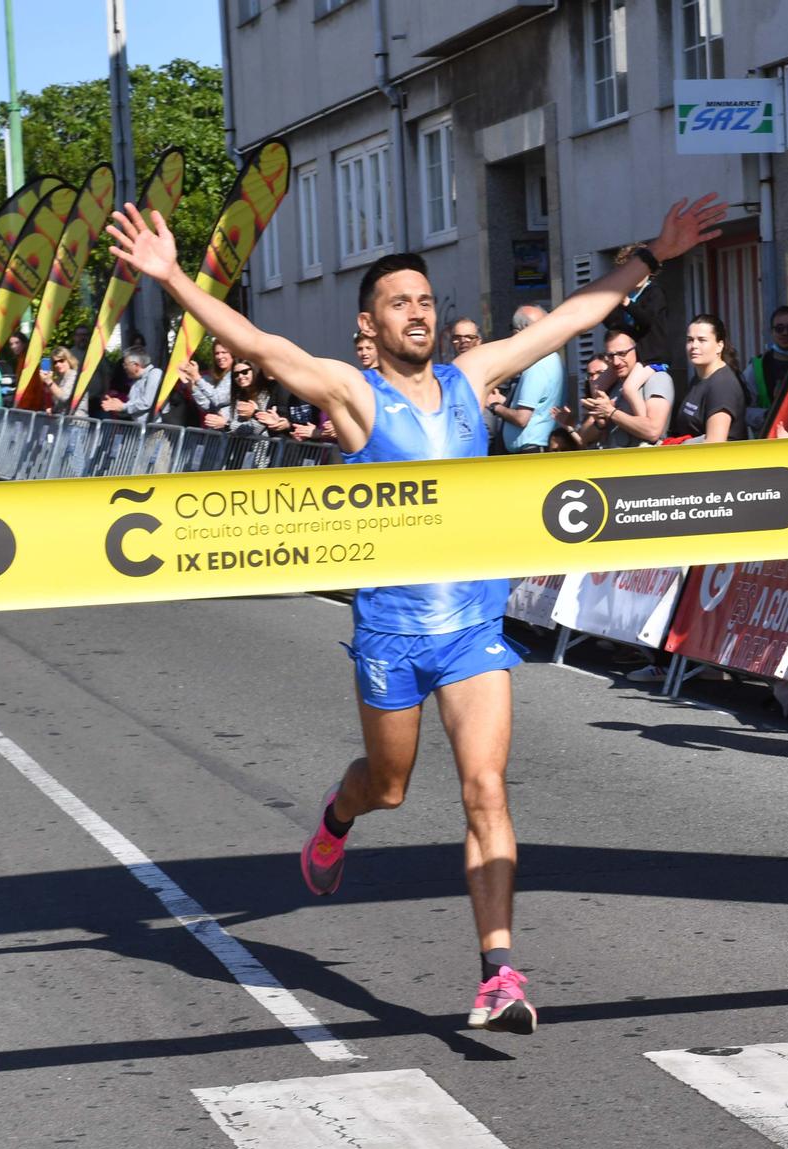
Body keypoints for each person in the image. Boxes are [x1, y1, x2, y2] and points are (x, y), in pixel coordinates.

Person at [107, 191, 726, 1035]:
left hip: (473, 629)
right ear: (371, 320)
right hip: (392, 635)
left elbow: (576, 314)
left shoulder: (472, 378)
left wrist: (652, 253)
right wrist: (174, 276)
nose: (419, 315)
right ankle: (337, 815)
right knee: (388, 787)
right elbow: (257, 343)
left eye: (427, 302)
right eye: (400, 303)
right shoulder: (352, 394)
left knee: (485, 789)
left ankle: (498, 970)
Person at [575, 327, 673, 447]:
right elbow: (583, 439)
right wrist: (599, 424)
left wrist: (612, 412)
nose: (616, 362)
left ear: (637, 350)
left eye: (622, 354)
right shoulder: (611, 383)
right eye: (611, 356)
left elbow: (653, 431)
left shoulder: (657, 379)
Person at [485, 304, 563, 452]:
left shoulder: (538, 363)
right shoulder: (551, 359)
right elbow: (538, 406)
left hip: (532, 452)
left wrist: (496, 407)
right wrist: (504, 401)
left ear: (519, 333)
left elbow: (522, 418)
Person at [673, 313, 749, 442]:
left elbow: (715, 443)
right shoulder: (698, 379)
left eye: (702, 340)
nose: (694, 346)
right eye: (690, 340)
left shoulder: (723, 385)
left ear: (720, 345)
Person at [744, 304, 788, 427]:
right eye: (779, 328)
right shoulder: (755, 368)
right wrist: (768, 416)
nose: (785, 333)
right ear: (772, 331)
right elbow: (744, 410)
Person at [100, 347, 162, 422]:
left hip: (155, 430)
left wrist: (123, 406)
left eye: (125, 364)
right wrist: (116, 407)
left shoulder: (155, 373)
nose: (124, 367)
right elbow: (132, 408)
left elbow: (147, 402)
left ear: (136, 365)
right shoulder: (135, 381)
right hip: (138, 428)